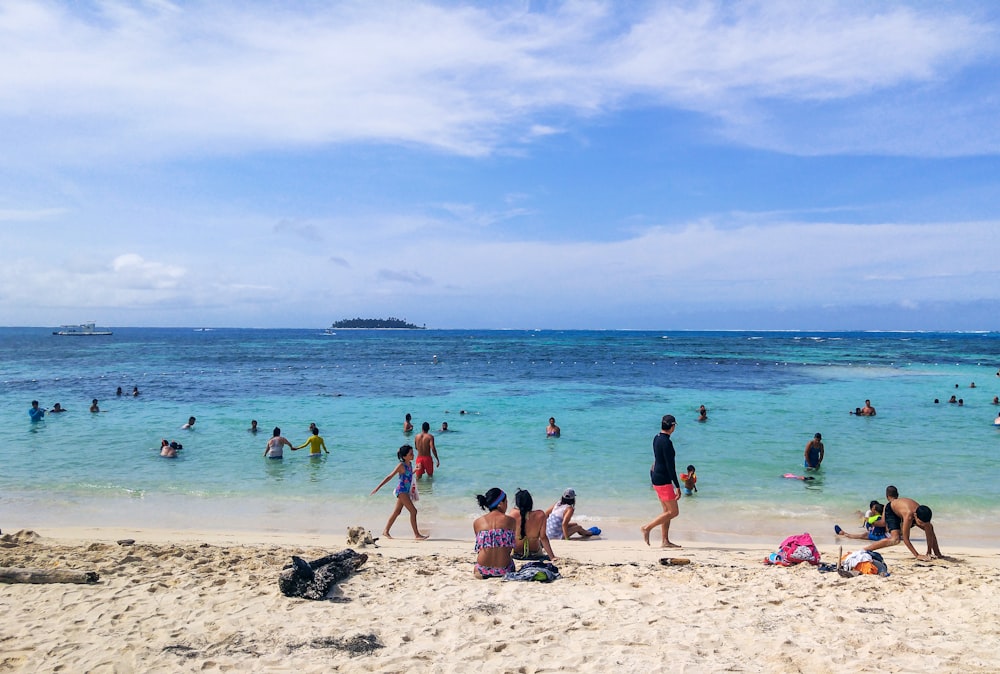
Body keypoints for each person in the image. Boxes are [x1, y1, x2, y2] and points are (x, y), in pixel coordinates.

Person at [864, 485, 941, 560]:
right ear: (915, 516)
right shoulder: (909, 516)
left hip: (902, 510)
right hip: (891, 510)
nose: (922, 525)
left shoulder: (923, 512)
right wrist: (917, 555)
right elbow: (905, 539)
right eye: (920, 523)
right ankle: (865, 549)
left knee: (929, 528)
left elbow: (929, 532)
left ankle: (937, 553)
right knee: (895, 539)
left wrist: (929, 552)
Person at [641, 414, 682, 548]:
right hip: (663, 479)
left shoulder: (656, 438)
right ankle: (647, 528)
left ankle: (665, 541)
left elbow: (657, 460)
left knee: (666, 511)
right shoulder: (667, 442)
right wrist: (677, 486)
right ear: (672, 426)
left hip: (655, 477)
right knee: (674, 512)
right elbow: (671, 466)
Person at [370, 444, 427, 540]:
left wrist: (415, 470)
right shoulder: (401, 465)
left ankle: (386, 531)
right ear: (404, 456)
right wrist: (378, 487)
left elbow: (408, 475)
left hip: (406, 491)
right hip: (401, 491)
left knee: (397, 512)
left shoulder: (410, 464)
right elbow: (389, 476)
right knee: (413, 511)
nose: (413, 454)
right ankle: (417, 535)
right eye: (411, 453)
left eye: (413, 452)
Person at [472, 487, 517, 578]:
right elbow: (509, 549)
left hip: (482, 569)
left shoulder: (477, 522)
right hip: (504, 569)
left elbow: (481, 548)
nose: (507, 505)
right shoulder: (511, 521)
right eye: (506, 502)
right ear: (500, 504)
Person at [510, 488, 557, 561]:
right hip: (535, 554)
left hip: (517, 554)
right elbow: (543, 537)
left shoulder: (513, 514)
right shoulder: (540, 515)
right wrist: (552, 557)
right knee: (539, 541)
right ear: (530, 502)